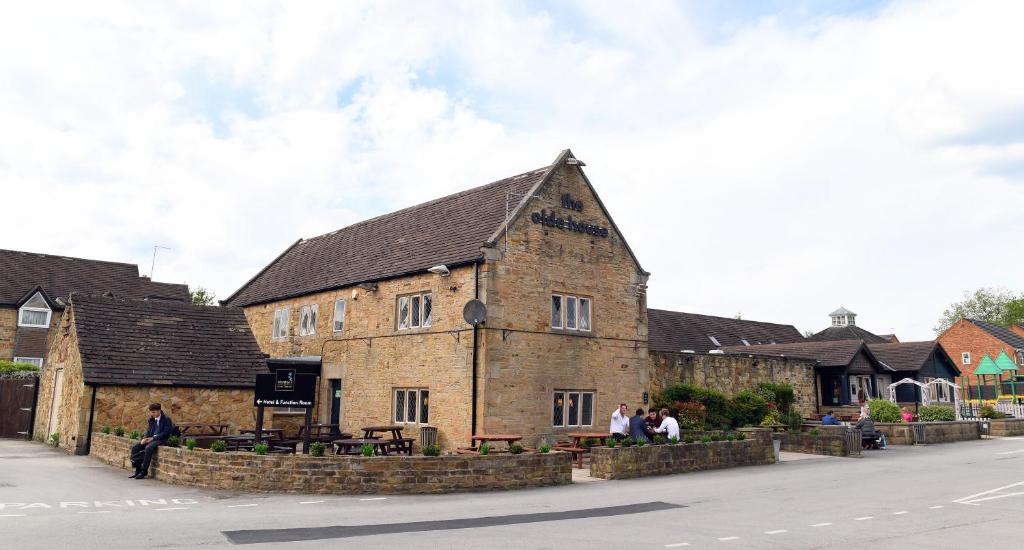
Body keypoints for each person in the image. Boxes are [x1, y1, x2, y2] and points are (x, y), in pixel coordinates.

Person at [130, 403, 174, 479]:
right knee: (135, 447)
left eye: (153, 412)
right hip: (151, 439)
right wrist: (145, 438)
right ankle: (138, 470)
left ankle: (144, 471)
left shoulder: (166, 419)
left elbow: (166, 433)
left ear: (159, 411)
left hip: (162, 439)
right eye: (151, 412)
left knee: (148, 448)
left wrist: (153, 438)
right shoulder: (151, 419)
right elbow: (148, 430)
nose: (152, 414)